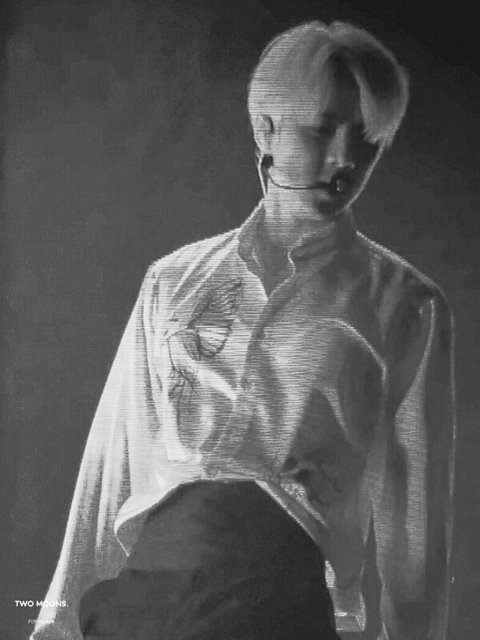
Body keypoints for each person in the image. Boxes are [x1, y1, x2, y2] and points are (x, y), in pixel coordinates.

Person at [31, 20, 456, 640]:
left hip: (276, 604)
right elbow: (113, 464)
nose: (346, 159)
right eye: (321, 130)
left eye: (366, 138)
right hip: (145, 603)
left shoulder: (406, 305)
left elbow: (414, 523)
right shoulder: (173, 280)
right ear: (266, 130)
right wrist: (58, 623)